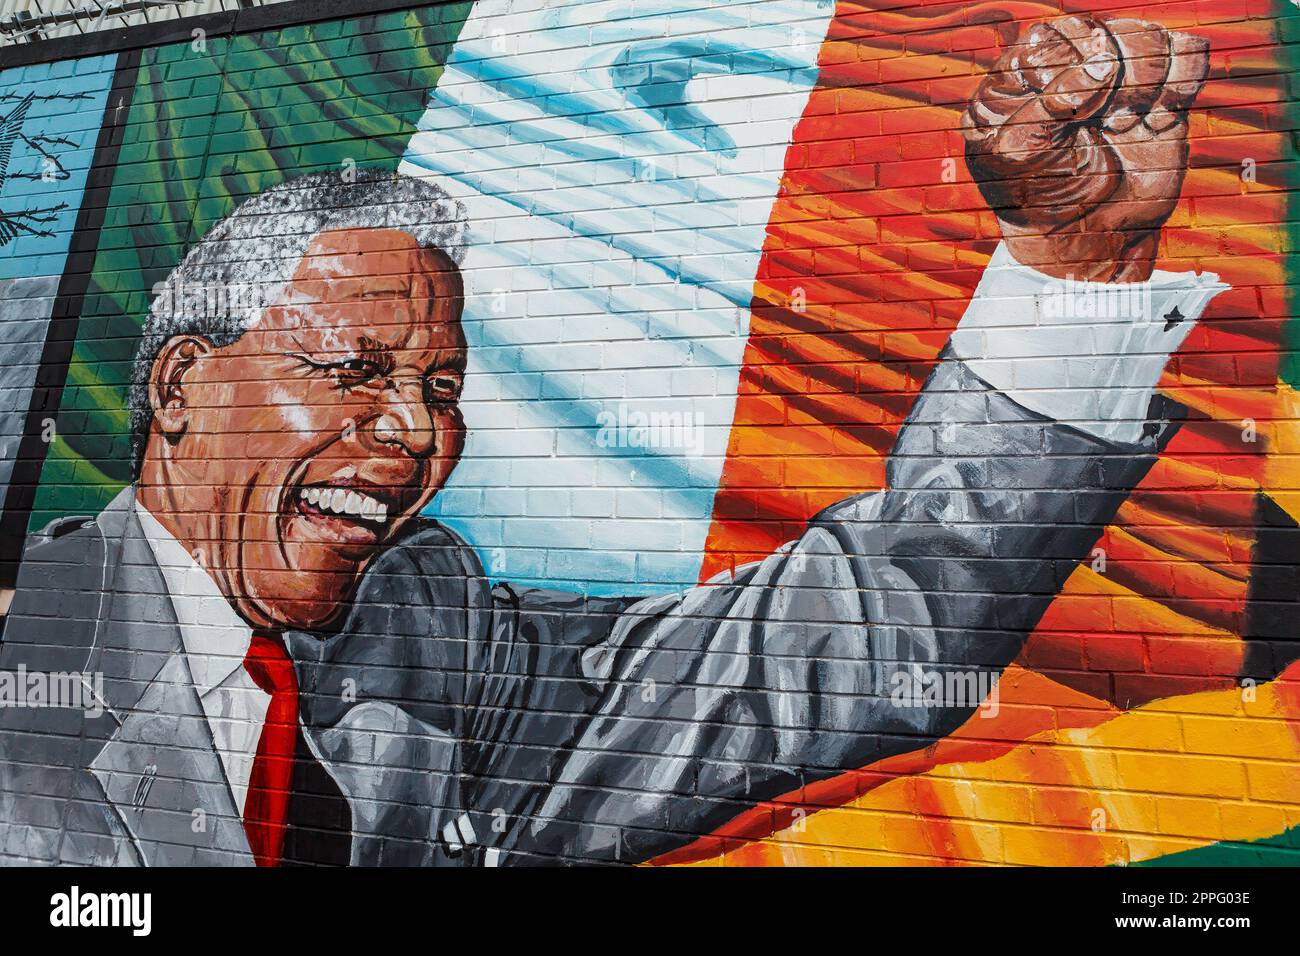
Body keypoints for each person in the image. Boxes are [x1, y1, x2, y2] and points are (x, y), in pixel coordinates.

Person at [0, 15, 1222, 866]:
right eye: (352, 373)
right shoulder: (29, 655)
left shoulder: (427, 627)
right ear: (177, 386)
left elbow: (855, 640)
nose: (415, 435)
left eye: (440, 386)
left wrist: (1078, 267)